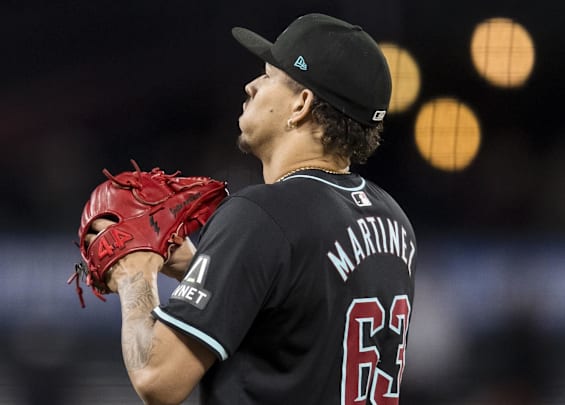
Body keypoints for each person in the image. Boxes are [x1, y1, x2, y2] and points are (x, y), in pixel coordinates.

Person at [85, 13, 417, 405]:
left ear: (301, 104)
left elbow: (158, 379)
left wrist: (134, 272)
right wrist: (203, 268)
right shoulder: (393, 218)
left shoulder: (262, 214)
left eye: (268, 76)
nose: (251, 86)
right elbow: (296, 319)